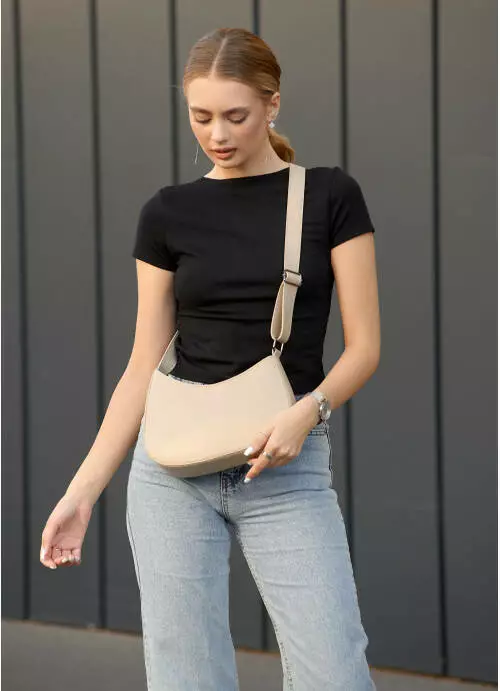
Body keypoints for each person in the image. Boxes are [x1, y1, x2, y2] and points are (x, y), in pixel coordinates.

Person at [40, 27, 380, 691]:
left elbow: (365, 346)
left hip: (284, 466)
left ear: (272, 104)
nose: (217, 134)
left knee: (335, 672)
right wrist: (81, 494)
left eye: (235, 115)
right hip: (171, 471)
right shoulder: (168, 213)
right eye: (201, 116)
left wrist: (307, 412)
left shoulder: (328, 197)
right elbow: (143, 364)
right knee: (186, 678)